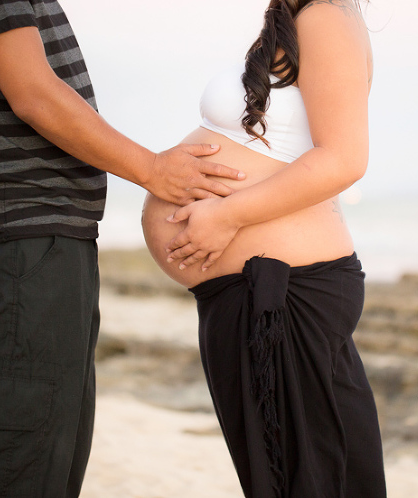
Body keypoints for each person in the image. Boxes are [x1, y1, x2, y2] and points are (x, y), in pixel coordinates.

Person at [0, 1, 245, 496]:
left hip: (40, 245)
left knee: (42, 460)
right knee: (0, 462)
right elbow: (33, 93)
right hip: (22, 244)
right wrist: (153, 169)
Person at [141, 0, 386, 495]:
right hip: (254, 295)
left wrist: (225, 215)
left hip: (282, 294)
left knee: (302, 481)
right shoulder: (295, 23)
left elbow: (344, 158)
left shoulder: (325, 14)